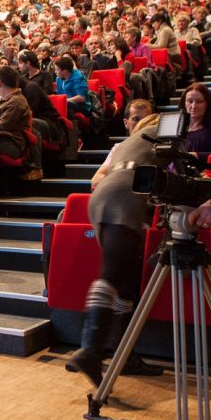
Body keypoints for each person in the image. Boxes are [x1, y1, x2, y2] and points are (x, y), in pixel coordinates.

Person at [67, 116, 166, 385]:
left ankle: (124, 356)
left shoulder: (129, 142)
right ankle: (90, 351)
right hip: (125, 199)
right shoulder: (164, 133)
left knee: (124, 282)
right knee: (111, 276)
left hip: (105, 196)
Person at [91, 100, 153, 189]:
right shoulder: (118, 148)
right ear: (126, 123)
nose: (141, 124)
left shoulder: (159, 149)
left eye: (146, 120)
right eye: (136, 119)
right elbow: (96, 180)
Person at [179, 82, 211, 156]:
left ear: (208, 104)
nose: (193, 106)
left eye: (199, 102)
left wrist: (197, 155)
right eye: (190, 101)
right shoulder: (178, 127)